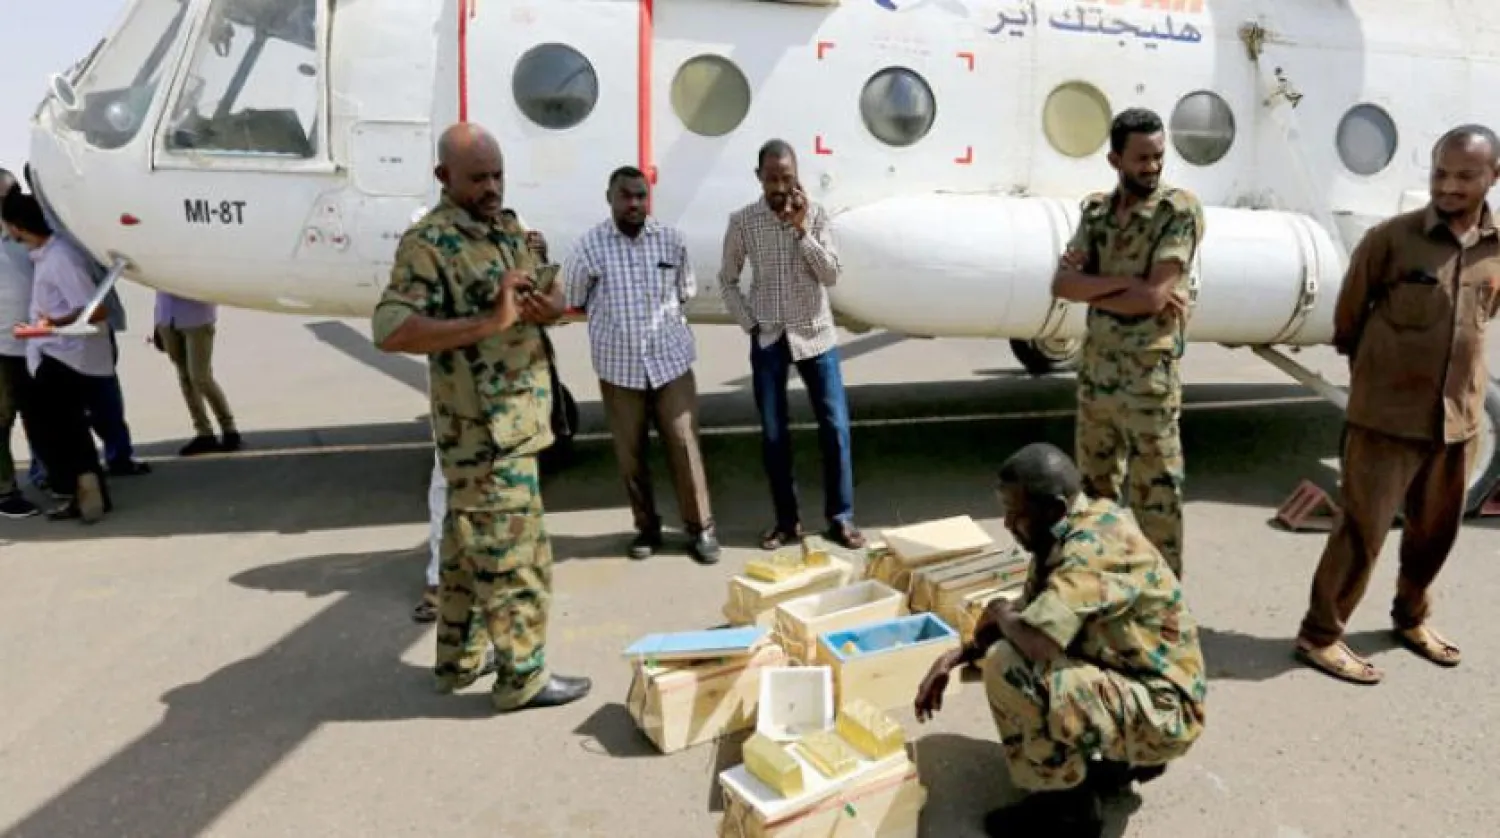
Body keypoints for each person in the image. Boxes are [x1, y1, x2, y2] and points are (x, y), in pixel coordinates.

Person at [372, 122, 590, 713]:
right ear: (444, 177)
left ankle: (459, 660)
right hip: (483, 435)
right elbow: (390, 328)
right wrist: (488, 323)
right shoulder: (428, 244)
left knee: (465, 554)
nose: (491, 188)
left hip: (518, 423)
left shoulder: (506, 228)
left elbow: (547, 298)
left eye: (497, 175)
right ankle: (523, 678)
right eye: (478, 179)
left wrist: (546, 307)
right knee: (518, 560)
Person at [1293, 125, 1500, 685]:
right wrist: (1381, 379)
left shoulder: (1496, 248)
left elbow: (1482, 317)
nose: (1449, 185)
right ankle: (1320, 635)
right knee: (1361, 532)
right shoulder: (1391, 240)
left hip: (1456, 420)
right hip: (1385, 420)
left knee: (1436, 533)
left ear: (1493, 176)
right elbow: (1348, 321)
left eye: (1465, 176)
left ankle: (1411, 619)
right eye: (1440, 173)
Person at [914, 442, 1206, 838]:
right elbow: (1028, 613)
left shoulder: (1090, 550)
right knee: (1015, 640)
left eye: (1015, 513)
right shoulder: (1068, 528)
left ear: (1052, 509)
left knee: (1008, 664)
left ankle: (1066, 810)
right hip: (1143, 687)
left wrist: (999, 612)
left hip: (1165, 713)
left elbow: (1036, 641)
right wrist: (955, 657)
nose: (1007, 524)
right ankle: (1115, 763)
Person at [1050, 108, 1206, 580]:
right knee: (1093, 499)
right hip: (1097, 377)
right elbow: (1061, 285)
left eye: (1158, 156)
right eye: (1141, 158)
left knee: (1157, 499)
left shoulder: (1177, 212)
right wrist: (1126, 285)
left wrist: (1096, 286)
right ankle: (1098, 589)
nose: (1153, 167)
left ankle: (1164, 601)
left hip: (1147, 383)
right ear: (1115, 159)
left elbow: (1153, 298)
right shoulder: (1096, 212)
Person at [565, 165, 720, 563]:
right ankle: (647, 528)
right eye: (626, 196)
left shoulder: (671, 240)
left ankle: (701, 528)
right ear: (610, 198)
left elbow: (684, 291)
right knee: (630, 454)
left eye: (640, 195)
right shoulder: (589, 248)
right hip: (619, 370)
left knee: (684, 443)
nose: (634, 203)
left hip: (670, 363)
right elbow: (576, 299)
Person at [719, 138, 864, 551]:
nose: (780, 187)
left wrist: (801, 230)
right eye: (772, 179)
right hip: (769, 336)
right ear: (758, 177)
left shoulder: (815, 215)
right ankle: (787, 522)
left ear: (797, 177)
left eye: (787, 178)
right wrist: (749, 323)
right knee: (774, 433)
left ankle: (841, 518)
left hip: (816, 334)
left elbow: (831, 274)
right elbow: (727, 279)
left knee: (835, 428)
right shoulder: (743, 222)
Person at [1, 190, 112, 522]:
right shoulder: (44, 256)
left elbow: (94, 310)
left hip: (64, 358)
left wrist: (50, 324)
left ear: (17, 226)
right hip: (51, 353)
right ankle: (84, 494)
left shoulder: (60, 258)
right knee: (63, 432)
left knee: (68, 432)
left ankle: (89, 495)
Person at [153, 290, 242, 455]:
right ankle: (204, 432)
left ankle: (229, 428)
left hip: (197, 318)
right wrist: (157, 322)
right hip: (166, 317)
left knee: (200, 377)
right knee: (185, 377)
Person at [0, 169, 41, 518]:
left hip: (37, 344)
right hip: (3, 350)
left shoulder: (27, 236)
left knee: (41, 417)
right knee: (1, 422)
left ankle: (48, 475)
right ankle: (4, 491)